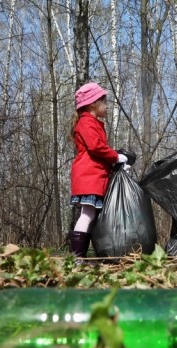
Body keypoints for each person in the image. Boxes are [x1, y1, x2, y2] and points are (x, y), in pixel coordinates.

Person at [69, 82, 128, 257]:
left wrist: (114, 160)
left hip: (92, 176)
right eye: (104, 101)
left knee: (89, 215)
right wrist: (115, 156)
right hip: (89, 177)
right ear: (93, 103)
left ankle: (79, 256)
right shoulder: (86, 123)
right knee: (87, 215)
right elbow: (95, 147)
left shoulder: (91, 122)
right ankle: (77, 257)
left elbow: (97, 148)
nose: (107, 106)